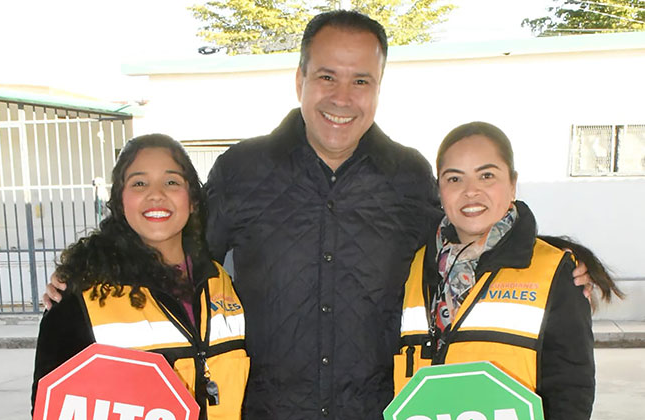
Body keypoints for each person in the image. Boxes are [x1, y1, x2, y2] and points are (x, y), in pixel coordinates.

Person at [43, 10, 594, 420]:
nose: (342, 97)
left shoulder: (408, 177)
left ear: (379, 88)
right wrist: (86, 276)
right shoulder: (243, 169)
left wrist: (561, 266)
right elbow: (175, 250)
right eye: (327, 76)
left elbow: (468, 235)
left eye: (362, 81)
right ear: (299, 78)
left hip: (379, 411)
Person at [393, 122, 617, 419]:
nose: (471, 191)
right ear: (439, 190)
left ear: (512, 183)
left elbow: (570, 392)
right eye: (454, 179)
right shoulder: (412, 265)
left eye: (487, 176)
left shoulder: (556, 272)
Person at [32, 134, 249, 420]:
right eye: (139, 183)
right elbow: (52, 407)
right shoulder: (81, 297)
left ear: (193, 200)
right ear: (121, 202)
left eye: (171, 182)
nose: (156, 194)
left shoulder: (222, 284)